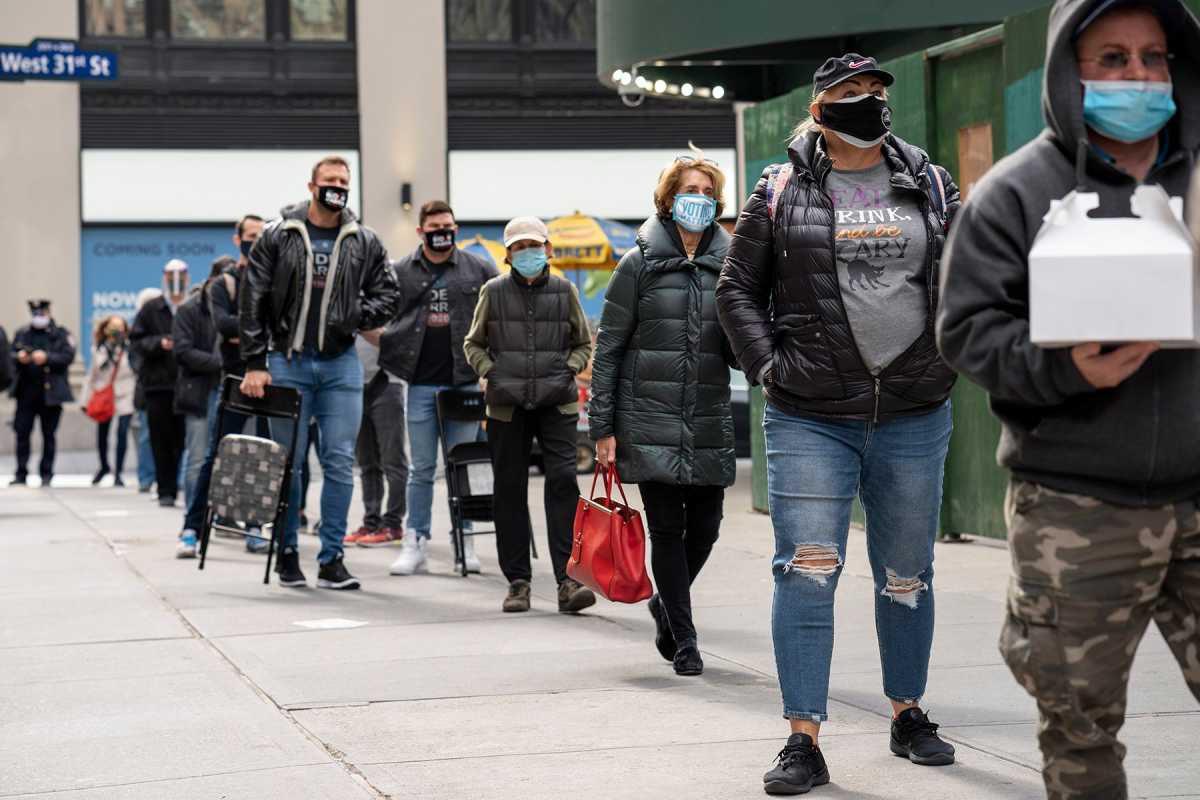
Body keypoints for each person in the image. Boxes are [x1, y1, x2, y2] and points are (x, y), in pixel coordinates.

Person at [936, 2, 1200, 797]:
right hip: (1075, 507)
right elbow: (965, 330)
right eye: (1111, 59)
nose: (1138, 77)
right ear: (1068, 71)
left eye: (1153, 58)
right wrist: (1065, 370)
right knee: (1079, 730)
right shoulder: (1016, 193)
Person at [717, 53, 962, 794]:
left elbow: (964, 276)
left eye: (875, 91)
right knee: (808, 572)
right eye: (851, 93)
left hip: (914, 410)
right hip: (811, 416)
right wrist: (770, 370)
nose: (868, 102)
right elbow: (737, 293)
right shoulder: (781, 187)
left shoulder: (929, 179)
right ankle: (803, 740)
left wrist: (947, 356)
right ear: (821, 109)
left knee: (907, 576)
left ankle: (909, 713)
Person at [589, 151, 735, 676]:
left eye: (706, 191)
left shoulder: (731, 266)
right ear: (668, 200)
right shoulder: (639, 265)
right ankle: (686, 637)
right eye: (687, 190)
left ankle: (664, 604)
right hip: (647, 417)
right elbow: (608, 347)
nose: (697, 199)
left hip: (706, 417)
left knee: (708, 529)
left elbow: (738, 348)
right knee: (667, 531)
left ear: (716, 202)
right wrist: (601, 427)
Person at [239, 155, 399, 590]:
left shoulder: (363, 240)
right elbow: (252, 298)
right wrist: (255, 362)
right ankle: (288, 552)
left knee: (339, 462)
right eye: (330, 180)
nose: (338, 187)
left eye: (344, 181)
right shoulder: (278, 234)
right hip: (286, 363)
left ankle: (332, 558)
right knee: (287, 464)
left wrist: (352, 314)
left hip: (340, 364)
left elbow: (388, 294)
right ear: (312, 186)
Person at [463, 216, 595, 614]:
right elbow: (473, 344)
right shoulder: (493, 291)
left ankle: (567, 581)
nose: (527, 253)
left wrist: (568, 368)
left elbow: (584, 344)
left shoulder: (565, 290)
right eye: (519, 247)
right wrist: (492, 372)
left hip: (557, 403)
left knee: (562, 484)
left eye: (533, 246)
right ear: (508, 254)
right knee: (509, 490)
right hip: (507, 405)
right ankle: (517, 581)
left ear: (547, 249)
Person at [379, 201, 498, 576]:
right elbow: (377, 308)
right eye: (434, 225)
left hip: (464, 380)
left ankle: (464, 542)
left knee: (462, 465)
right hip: (420, 383)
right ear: (421, 231)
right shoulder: (400, 271)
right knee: (422, 468)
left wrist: (489, 370)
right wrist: (384, 344)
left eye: (447, 224)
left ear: (456, 227)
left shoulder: (479, 268)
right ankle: (415, 541)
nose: (442, 230)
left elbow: (499, 315)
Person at [171, 257, 226, 556]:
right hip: (201, 391)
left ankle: (233, 520)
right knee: (198, 459)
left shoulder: (237, 305)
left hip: (231, 389)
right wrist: (220, 363)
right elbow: (182, 350)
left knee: (232, 460)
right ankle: (193, 523)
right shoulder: (191, 309)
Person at [131, 260, 189, 507]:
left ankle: (179, 482)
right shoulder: (151, 309)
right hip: (158, 385)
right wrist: (159, 344)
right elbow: (136, 342)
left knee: (184, 439)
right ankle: (165, 488)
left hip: (187, 383)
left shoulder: (193, 305)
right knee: (159, 438)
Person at [349, 333, 409, 547]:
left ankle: (392, 524)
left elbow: (395, 337)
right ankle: (371, 522)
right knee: (367, 462)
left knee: (393, 459)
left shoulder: (391, 300)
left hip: (387, 383)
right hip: (356, 384)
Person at [9, 300, 75, 486]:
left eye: (41, 313)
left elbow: (68, 356)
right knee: (22, 433)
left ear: (48, 313)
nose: (38, 317)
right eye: (35, 313)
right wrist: (19, 357)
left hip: (50, 395)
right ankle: (21, 473)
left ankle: (46, 473)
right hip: (26, 394)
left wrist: (47, 358)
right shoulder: (22, 333)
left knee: (49, 435)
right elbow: (8, 355)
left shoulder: (60, 334)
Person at [80, 315, 135, 486]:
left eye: (120, 328)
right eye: (112, 328)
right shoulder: (99, 349)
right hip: (105, 394)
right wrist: (84, 399)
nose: (116, 332)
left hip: (125, 395)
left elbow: (134, 372)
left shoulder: (130, 349)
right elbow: (92, 375)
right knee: (102, 433)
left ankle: (119, 472)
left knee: (122, 433)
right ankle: (104, 466)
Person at [130, 287, 162, 494]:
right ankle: (146, 478)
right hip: (147, 389)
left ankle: (162, 477)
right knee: (146, 436)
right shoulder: (140, 331)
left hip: (167, 388)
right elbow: (136, 360)